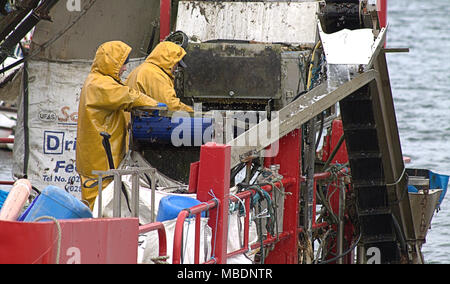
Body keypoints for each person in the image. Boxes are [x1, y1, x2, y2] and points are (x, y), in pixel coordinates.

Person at [76, 41, 158, 209]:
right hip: (100, 158)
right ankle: (95, 231)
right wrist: (154, 104)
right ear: (111, 63)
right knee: (100, 201)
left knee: (98, 200)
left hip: (97, 157)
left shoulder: (97, 81)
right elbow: (128, 96)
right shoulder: (100, 84)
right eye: (122, 64)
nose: (125, 69)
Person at [125, 41, 193, 112]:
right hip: (138, 121)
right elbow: (170, 105)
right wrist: (192, 112)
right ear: (168, 59)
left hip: (133, 119)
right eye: (176, 63)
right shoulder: (154, 74)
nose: (176, 68)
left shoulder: (145, 68)